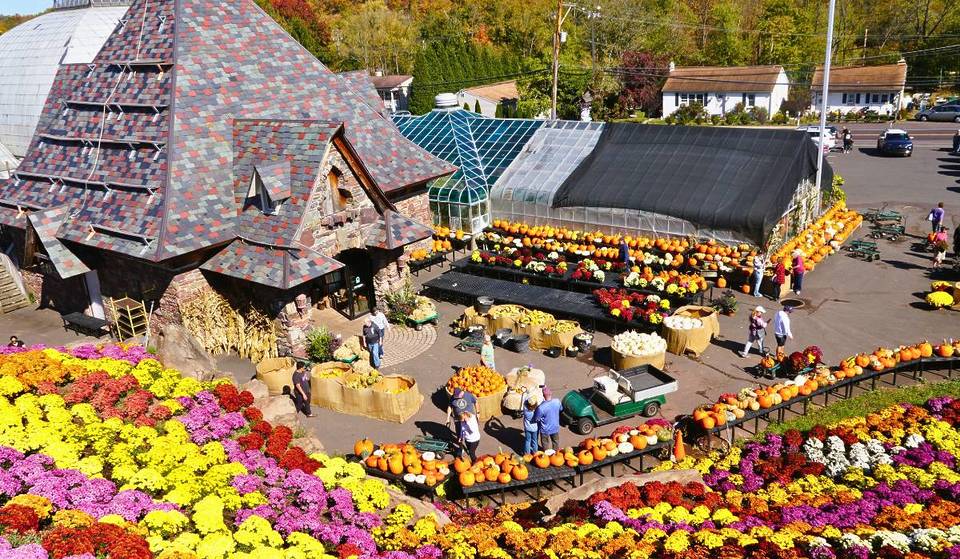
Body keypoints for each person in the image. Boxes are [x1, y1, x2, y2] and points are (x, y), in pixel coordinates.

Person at [520, 390, 539, 455]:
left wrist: (526, 393)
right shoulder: (536, 411)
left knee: (527, 441)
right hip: (535, 428)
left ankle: (527, 453)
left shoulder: (525, 409)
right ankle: (535, 453)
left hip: (527, 428)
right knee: (535, 441)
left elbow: (525, 399)